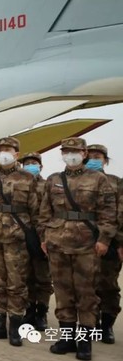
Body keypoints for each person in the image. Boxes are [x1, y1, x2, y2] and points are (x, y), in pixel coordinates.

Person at [38, 138, 117, 360]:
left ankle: (84, 344)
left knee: (86, 294)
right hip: (57, 244)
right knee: (63, 293)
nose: (70, 155)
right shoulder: (54, 179)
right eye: (66, 151)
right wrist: (44, 237)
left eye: (75, 151)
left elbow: (108, 213)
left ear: (84, 153)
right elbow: (45, 211)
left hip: (86, 245)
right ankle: (66, 339)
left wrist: (104, 240)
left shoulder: (98, 179)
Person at [0, 137, 38, 346]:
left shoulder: (28, 178)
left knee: (16, 283)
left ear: (16, 154)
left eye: (7, 149)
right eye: (0, 150)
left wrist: (39, 239)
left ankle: (15, 326)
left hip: (17, 239)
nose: (3, 153)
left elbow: (36, 211)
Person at [85, 144, 122, 344]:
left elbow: (121, 215)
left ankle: (107, 326)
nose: (93, 159)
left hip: (110, 242)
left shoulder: (116, 183)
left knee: (108, 285)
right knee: (86, 286)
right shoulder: (76, 182)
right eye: (89, 156)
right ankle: (91, 325)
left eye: (97, 156)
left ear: (105, 160)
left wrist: (119, 243)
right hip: (82, 242)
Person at [19, 152, 53, 331]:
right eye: (27, 163)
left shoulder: (47, 185)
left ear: (40, 166)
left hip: (41, 235)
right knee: (25, 276)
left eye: (33, 163)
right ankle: (29, 310)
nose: (30, 165)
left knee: (43, 277)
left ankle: (42, 312)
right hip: (20, 234)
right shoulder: (16, 184)